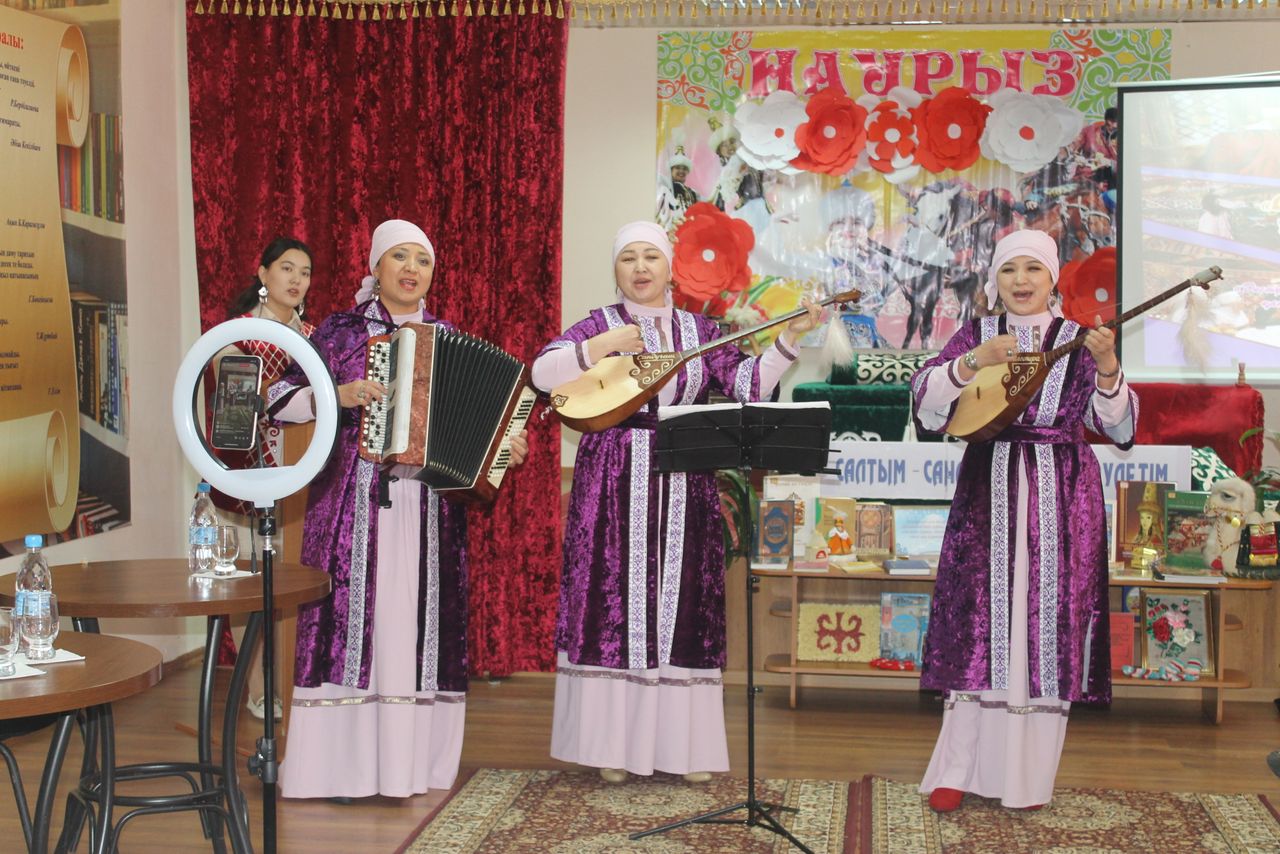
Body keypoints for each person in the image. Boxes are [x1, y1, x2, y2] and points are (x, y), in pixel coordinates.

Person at [532, 220, 820, 784]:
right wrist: (598, 347)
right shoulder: (599, 324)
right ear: (616, 270)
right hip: (611, 483)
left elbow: (748, 385)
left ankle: (682, 749)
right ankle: (611, 748)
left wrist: (789, 340)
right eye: (628, 258)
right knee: (614, 602)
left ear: (669, 269)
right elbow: (543, 374)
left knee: (682, 604)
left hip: (685, 478)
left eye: (651, 257)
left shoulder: (699, 330)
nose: (640, 268)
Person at [268, 219, 528, 799]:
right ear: (376, 267)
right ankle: (338, 770)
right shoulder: (339, 332)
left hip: (429, 509)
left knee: (414, 626)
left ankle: (411, 768)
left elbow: (480, 427)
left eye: (423, 260)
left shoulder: (448, 336)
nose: (412, 269)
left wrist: (506, 446)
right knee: (353, 626)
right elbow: (277, 397)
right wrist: (336, 395)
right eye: (400, 257)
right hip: (352, 506)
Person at [909, 229, 1138, 812]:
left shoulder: (1080, 339)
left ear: (1052, 278)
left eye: (1033, 269)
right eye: (1010, 270)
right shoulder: (977, 334)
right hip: (985, 491)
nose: (1021, 281)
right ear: (996, 279)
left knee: (1043, 629)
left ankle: (1027, 780)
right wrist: (970, 363)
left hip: (1063, 495)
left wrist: (1108, 366)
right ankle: (957, 768)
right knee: (978, 625)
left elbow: (1118, 428)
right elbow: (926, 402)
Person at [210, 237, 315, 721]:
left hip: (300, 485)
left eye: (305, 272)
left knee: (290, 588)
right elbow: (233, 409)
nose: (296, 280)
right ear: (263, 274)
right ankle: (256, 686)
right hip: (246, 483)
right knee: (248, 590)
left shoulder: (316, 338)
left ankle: (291, 686)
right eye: (287, 268)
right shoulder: (236, 335)